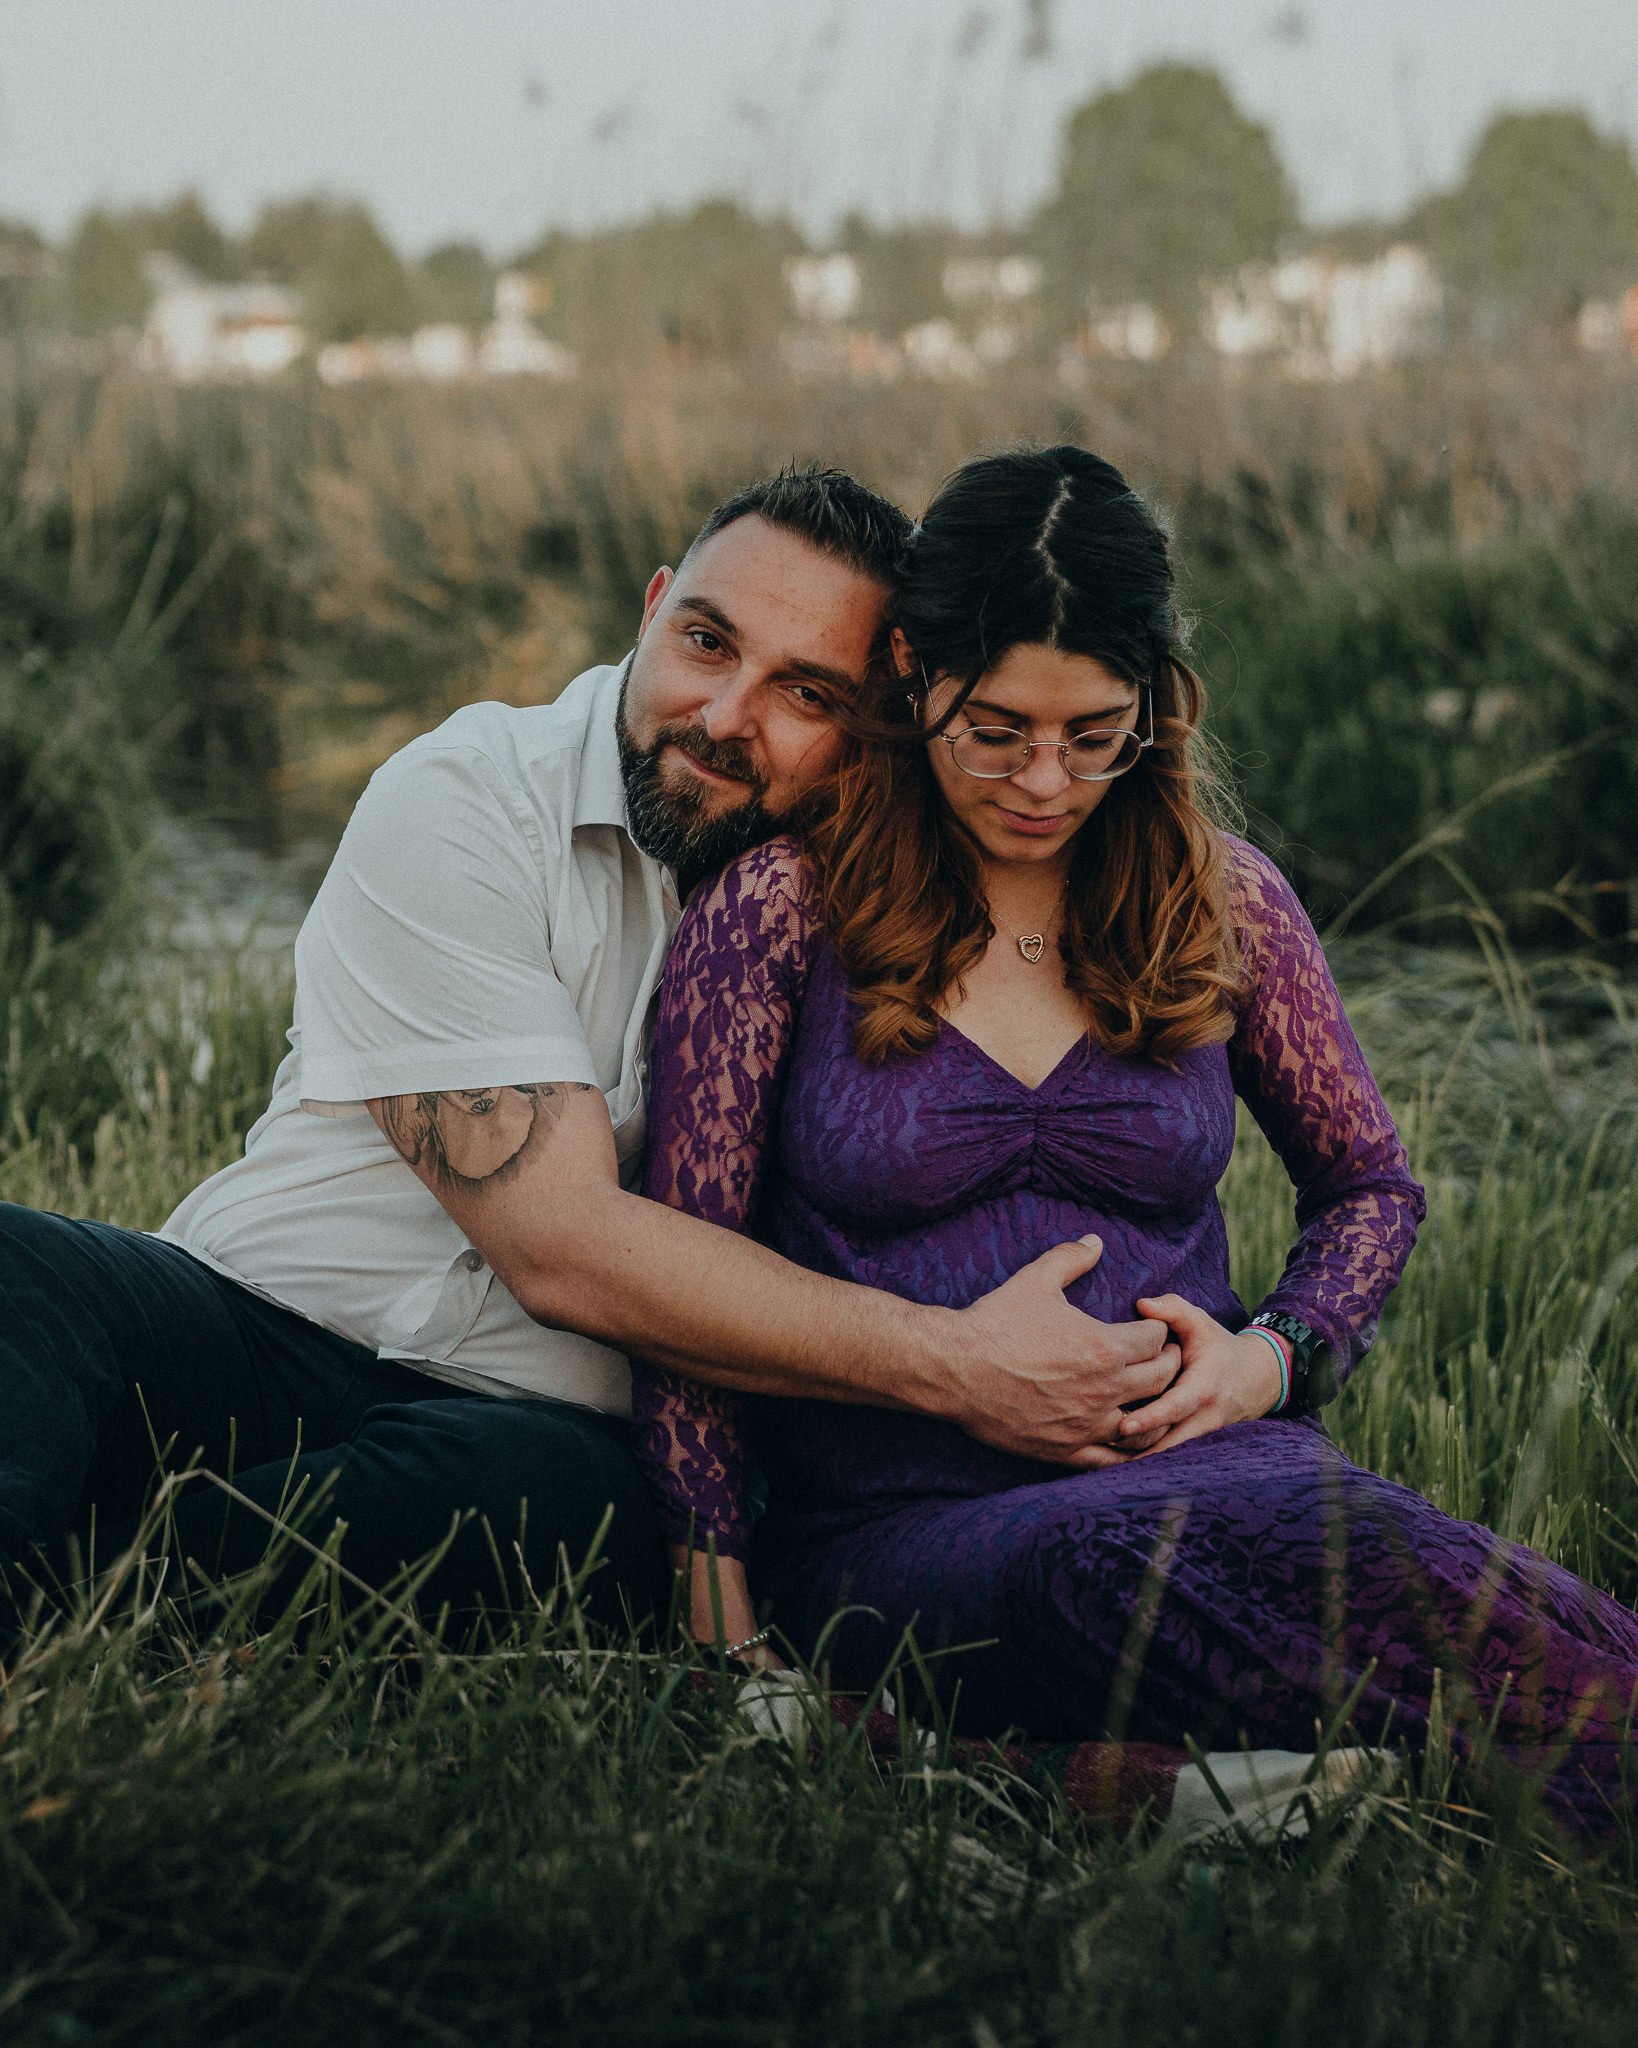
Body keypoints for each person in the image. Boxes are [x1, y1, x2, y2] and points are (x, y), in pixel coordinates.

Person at [0, 466, 1188, 1646]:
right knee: (23, 1267)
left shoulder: (864, 908)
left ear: (879, 723)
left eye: (804, 693)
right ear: (653, 605)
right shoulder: (464, 797)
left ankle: (74, 1607)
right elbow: (557, 1247)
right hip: (248, 1319)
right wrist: (953, 1361)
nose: (725, 715)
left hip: (529, 1430)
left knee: (548, 1510)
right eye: (707, 642)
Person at [632, 445, 1638, 1832]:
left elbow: (1369, 1189)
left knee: (1424, 1573)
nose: (1045, 778)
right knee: (1158, 1568)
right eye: (995, 729)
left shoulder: (1223, 904)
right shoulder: (779, 916)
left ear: (1153, 709)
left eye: (1095, 731)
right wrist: (722, 1628)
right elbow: (681, 1281)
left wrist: (1265, 1363)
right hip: (905, 1531)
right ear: (912, 673)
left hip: (1234, 1477)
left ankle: (1511, 1775)